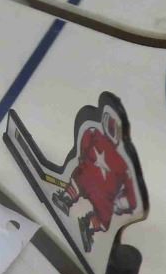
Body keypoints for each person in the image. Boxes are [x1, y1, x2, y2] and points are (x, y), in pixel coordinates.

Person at [52, 100, 143, 253]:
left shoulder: (123, 163)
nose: (111, 128)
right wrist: (82, 157)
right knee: (79, 180)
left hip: (104, 196)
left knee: (104, 216)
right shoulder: (96, 135)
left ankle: (88, 225)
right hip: (88, 178)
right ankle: (66, 198)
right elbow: (84, 141)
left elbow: (131, 194)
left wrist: (121, 203)